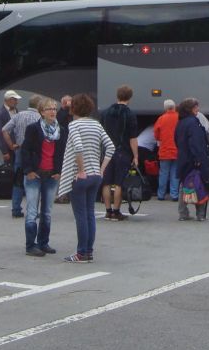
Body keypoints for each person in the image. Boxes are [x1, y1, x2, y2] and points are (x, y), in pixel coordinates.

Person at [57, 94, 114, 262]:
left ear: (74, 108)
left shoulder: (74, 125)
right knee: (90, 214)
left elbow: (78, 147)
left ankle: (81, 252)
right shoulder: (96, 124)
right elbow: (110, 147)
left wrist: (81, 170)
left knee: (81, 216)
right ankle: (88, 251)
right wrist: (101, 169)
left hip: (81, 176)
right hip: (95, 175)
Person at [21, 97, 67, 256]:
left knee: (47, 212)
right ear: (42, 112)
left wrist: (59, 171)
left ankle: (43, 242)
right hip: (35, 175)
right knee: (32, 211)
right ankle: (30, 245)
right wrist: (28, 170)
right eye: (49, 109)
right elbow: (25, 150)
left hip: (51, 175)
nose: (53, 111)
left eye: (54, 109)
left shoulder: (61, 130)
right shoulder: (33, 129)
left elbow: (62, 153)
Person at [100, 85, 138, 221]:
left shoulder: (105, 113)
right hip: (122, 151)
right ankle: (116, 211)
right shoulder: (130, 114)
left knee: (106, 182)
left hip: (107, 151)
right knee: (119, 183)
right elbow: (133, 138)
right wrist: (136, 155)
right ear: (130, 97)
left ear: (117, 95)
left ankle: (107, 210)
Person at [3, 93, 41, 218]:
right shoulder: (40, 118)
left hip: (19, 149)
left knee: (18, 180)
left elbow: (4, 130)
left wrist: (11, 145)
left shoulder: (18, 115)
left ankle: (16, 209)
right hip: (35, 152)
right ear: (39, 105)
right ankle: (33, 210)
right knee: (34, 181)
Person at [175, 97, 209, 222]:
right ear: (190, 109)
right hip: (193, 159)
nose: (198, 109)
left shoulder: (180, 122)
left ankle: (182, 213)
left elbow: (176, 140)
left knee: (183, 185)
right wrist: (199, 158)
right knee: (199, 184)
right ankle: (200, 214)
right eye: (196, 107)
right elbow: (196, 143)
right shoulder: (194, 123)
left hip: (183, 158)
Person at [153, 99, 179, 200]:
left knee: (163, 173)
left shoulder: (161, 119)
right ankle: (174, 195)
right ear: (174, 107)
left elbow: (156, 135)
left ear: (165, 108)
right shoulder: (179, 118)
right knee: (175, 173)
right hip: (177, 150)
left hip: (165, 150)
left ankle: (161, 195)